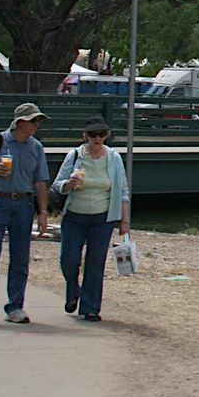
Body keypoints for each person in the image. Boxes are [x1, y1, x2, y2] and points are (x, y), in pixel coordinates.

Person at [0, 102, 51, 325]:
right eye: (33, 120)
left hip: (23, 203)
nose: (36, 124)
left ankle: (15, 307)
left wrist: (43, 212)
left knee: (20, 257)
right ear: (20, 122)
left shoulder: (36, 147)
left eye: (38, 120)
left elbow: (40, 182)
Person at [52, 116, 130, 322]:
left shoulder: (113, 158)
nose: (97, 139)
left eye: (101, 134)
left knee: (95, 263)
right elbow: (57, 184)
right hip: (74, 216)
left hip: (102, 218)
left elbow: (123, 191)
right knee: (69, 259)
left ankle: (90, 308)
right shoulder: (75, 155)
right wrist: (69, 184)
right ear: (85, 136)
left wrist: (124, 222)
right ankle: (73, 290)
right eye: (93, 135)